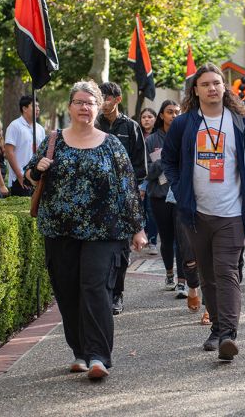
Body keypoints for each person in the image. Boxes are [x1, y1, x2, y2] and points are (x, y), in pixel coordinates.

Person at [25, 80, 146, 380]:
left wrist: (137, 228)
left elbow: (127, 188)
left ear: (99, 106)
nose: (84, 107)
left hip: (104, 231)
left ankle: (98, 356)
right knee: (67, 292)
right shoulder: (54, 140)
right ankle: (79, 351)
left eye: (90, 102)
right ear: (70, 107)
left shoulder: (112, 144)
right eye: (79, 102)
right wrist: (36, 169)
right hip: (59, 230)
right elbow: (29, 175)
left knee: (95, 290)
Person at [162, 63, 245, 362]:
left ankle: (229, 335)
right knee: (206, 274)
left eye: (217, 83)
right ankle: (217, 328)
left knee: (226, 271)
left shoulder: (241, 121)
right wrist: (181, 191)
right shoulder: (184, 124)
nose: (212, 89)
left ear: (224, 87)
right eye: (205, 84)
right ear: (196, 90)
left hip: (232, 212)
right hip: (196, 213)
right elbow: (169, 160)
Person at [96, 82, 148, 316]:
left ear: (116, 99)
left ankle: (117, 293)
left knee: (121, 249)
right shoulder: (93, 125)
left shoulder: (131, 127)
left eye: (105, 97)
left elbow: (140, 164)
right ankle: (102, 292)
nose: (102, 102)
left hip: (123, 197)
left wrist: (135, 191)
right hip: (96, 196)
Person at [146, 100, 188, 296]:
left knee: (182, 238)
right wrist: (165, 158)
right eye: (170, 112)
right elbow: (148, 172)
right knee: (167, 238)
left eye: (177, 112)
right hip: (159, 196)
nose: (174, 115)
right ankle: (169, 273)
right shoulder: (151, 140)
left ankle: (182, 281)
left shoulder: (186, 136)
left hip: (180, 194)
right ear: (161, 115)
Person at [4, 96, 46, 196]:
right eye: (35, 106)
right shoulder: (15, 126)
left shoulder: (40, 129)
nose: (38, 109)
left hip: (36, 177)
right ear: (24, 108)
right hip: (20, 179)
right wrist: (20, 175)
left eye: (38, 106)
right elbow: (9, 152)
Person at [138, 107, 159, 255]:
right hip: (139, 179)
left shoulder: (158, 137)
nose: (146, 119)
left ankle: (152, 241)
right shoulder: (137, 135)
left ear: (155, 119)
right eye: (144, 117)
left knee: (152, 211)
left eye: (150, 117)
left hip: (156, 178)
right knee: (140, 210)